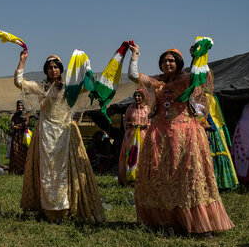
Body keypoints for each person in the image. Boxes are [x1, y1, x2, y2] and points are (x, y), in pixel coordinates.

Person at [127, 44, 233, 234]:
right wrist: (135, 55)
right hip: (160, 137)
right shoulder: (157, 83)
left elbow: (203, 73)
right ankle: (167, 221)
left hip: (186, 135)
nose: (167, 63)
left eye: (171, 60)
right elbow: (133, 75)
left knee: (188, 177)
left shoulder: (187, 80)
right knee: (162, 178)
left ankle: (198, 223)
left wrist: (197, 56)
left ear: (179, 63)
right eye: (164, 60)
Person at [15, 50, 105, 223]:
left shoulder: (69, 88)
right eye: (49, 67)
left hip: (66, 133)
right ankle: (47, 209)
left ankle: (70, 208)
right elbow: (18, 82)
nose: (53, 69)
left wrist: (87, 67)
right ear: (46, 70)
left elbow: (89, 86)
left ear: (61, 69)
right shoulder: (41, 88)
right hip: (45, 135)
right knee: (47, 171)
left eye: (56, 67)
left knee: (70, 170)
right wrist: (22, 61)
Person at [118, 89, 150, 185]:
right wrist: (130, 124)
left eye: (139, 96)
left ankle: (141, 178)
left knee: (141, 155)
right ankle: (128, 178)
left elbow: (150, 122)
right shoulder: (130, 108)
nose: (137, 98)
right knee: (130, 155)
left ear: (143, 97)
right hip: (131, 136)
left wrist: (146, 125)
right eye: (135, 96)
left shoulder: (147, 109)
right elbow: (125, 121)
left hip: (143, 135)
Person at [9, 100, 29, 174]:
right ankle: (16, 169)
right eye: (18, 105)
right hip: (16, 135)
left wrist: (17, 126)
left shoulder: (26, 114)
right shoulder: (15, 115)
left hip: (23, 135)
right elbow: (12, 125)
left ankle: (24, 169)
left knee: (24, 151)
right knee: (15, 151)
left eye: (21, 105)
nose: (20, 107)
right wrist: (16, 127)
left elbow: (26, 123)